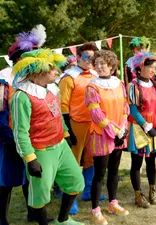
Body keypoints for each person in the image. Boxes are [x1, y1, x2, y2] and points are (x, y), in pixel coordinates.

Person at [11, 49, 85, 225]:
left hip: (60, 145)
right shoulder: (22, 96)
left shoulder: (53, 88)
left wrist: (66, 133)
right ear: (39, 71)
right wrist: (30, 159)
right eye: (52, 69)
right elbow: (20, 132)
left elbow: (58, 114)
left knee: (75, 181)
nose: (57, 72)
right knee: (41, 194)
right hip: (40, 150)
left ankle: (63, 219)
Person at [0, 24, 55, 225]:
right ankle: (2, 219)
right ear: (17, 59)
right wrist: (10, 139)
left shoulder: (35, 79)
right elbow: (1, 112)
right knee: (5, 181)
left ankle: (33, 212)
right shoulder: (4, 80)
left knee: (31, 178)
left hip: (34, 139)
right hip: (10, 139)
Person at [58, 42, 105, 214]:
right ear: (78, 57)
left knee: (90, 159)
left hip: (94, 124)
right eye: (86, 57)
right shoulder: (69, 77)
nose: (89, 60)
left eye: (92, 58)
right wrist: (67, 130)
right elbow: (62, 105)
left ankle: (88, 191)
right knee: (72, 162)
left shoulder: (95, 75)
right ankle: (71, 197)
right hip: (76, 123)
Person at [85, 50, 129, 225]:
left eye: (103, 63)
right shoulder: (92, 86)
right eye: (97, 63)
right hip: (102, 134)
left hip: (119, 133)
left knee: (114, 171)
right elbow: (95, 113)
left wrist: (123, 129)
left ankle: (113, 202)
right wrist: (114, 131)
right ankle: (95, 210)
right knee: (100, 173)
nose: (99, 66)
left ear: (112, 66)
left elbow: (125, 106)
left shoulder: (119, 84)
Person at [127, 50, 156, 208]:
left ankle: (152, 190)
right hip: (139, 128)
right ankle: (138, 194)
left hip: (153, 128)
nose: (153, 71)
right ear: (140, 67)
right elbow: (133, 109)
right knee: (137, 163)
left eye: (155, 68)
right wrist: (146, 126)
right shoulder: (133, 85)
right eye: (151, 67)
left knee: (152, 161)